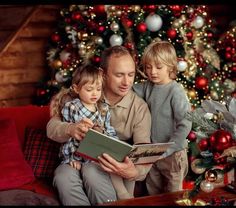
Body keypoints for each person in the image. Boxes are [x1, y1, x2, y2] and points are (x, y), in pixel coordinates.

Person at [46, 45, 152, 205]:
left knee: (92, 171)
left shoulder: (139, 108)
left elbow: (144, 148)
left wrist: (134, 172)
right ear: (103, 74)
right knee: (62, 176)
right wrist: (70, 129)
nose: (127, 82)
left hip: (108, 167)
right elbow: (51, 128)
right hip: (74, 158)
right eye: (119, 75)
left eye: (131, 75)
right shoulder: (79, 96)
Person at [57, 64, 136, 201]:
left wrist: (115, 145)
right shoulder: (72, 107)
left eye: (98, 89)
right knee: (68, 173)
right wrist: (72, 159)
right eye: (89, 89)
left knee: (93, 174)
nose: (95, 94)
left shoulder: (103, 108)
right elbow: (69, 138)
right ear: (76, 88)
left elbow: (109, 130)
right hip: (77, 155)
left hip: (97, 157)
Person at [133, 40, 192, 195]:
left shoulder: (175, 91)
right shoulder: (148, 86)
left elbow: (186, 123)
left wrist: (170, 148)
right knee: (153, 192)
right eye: (148, 67)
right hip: (153, 152)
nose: (153, 72)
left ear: (171, 67)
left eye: (159, 67)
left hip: (173, 154)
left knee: (173, 195)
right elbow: (127, 89)